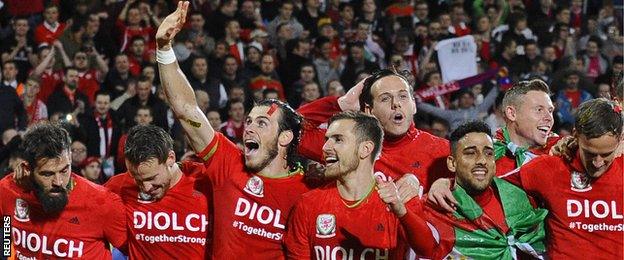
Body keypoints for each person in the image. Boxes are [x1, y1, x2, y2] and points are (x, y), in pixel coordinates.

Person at [155, 2, 313, 258]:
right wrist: (164, 49)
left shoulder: (306, 191)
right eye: (249, 121)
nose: (249, 128)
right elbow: (186, 109)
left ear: (285, 137)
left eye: (262, 123)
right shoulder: (228, 163)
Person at [429, 98, 623, 259]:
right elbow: (487, 182)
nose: (597, 162)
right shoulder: (547, 169)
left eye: (606, 154)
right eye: (589, 153)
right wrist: (447, 182)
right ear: (576, 136)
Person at [285, 112, 435, 259]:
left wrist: (401, 211)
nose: (325, 147)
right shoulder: (308, 204)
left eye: (338, 140)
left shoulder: (399, 198)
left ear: (365, 149)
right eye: (327, 139)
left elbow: (428, 251)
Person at [298, 69, 451, 192]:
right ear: (369, 111)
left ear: (414, 105)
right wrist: (341, 104)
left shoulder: (442, 151)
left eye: (403, 96)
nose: (396, 104)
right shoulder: (347, 146)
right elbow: (289, 130)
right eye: (385, 98)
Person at [421, 121, 547, 259]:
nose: (482, 160)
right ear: (452, 163)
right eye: (470, 153)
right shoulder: (434, 208)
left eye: (488, 153)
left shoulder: (519, 198)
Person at [0, 123, 127, 259]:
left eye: (64, 170)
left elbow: (139, 251)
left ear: (70, 160)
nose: (59, 182)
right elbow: (6, 237)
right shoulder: (8, 191)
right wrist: (6, 253)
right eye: (47, 174)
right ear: (28, 169)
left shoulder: (103, 202)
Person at [105, 125, 210, 259]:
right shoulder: (120, 186)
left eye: (151, 178)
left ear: (170, 158)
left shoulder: (206, 182)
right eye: (137, 179)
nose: (146, 187)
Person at [494, 79, 559, 175]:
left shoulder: (560, 151)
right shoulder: (488, 155)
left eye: (550, 111)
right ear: (512, 114)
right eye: (539, 110)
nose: (549, 118)